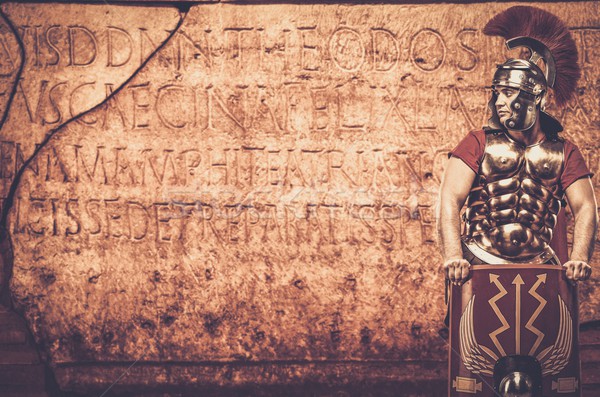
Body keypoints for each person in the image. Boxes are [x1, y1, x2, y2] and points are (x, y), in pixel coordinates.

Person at [437, 6, 597, 290]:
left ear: (535, 98)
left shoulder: (564, 152)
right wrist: (453, 256)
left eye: (508, 93)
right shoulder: (478, 142)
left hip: (539, 266)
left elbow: (585, 206)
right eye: (498, 93)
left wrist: (579, 257)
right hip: (478, 262)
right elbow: (449, 199)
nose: (500, 102)